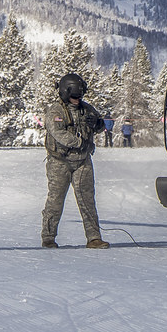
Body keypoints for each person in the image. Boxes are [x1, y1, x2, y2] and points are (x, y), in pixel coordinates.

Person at [41, 73, 109, 249]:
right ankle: (48, 237)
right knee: (55, 201)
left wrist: (97, 123)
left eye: (79, 96)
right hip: (59, 162)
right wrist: (79, 142)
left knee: (87, 200)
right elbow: (59, 134)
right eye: (73, 97)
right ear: (65, 93)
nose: (77, 100)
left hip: (82, 161)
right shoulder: (55, 111)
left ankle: (94, 237)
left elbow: (102, 127)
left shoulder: (87, 109)